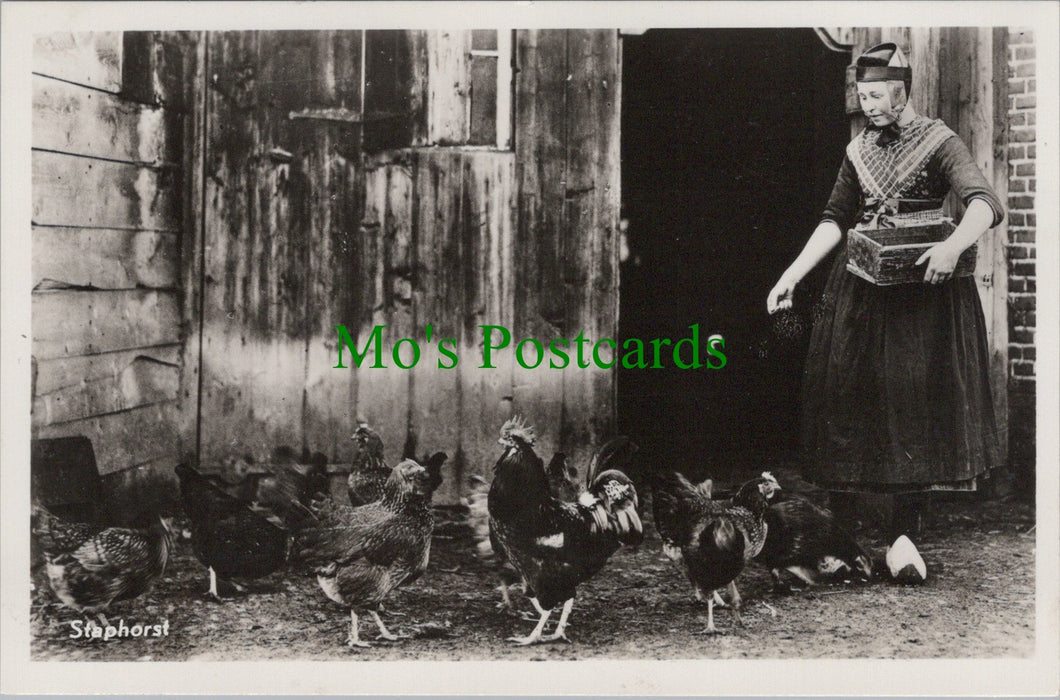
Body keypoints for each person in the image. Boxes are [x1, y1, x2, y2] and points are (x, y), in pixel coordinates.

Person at [766, 42, 1005, 583]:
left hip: (922, 294)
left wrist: (950, 247)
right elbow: (834, 218)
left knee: (911, 407)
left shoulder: (941, 140)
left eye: (876, 95)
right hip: (859, 291)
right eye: (862, 94)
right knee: (844, 398)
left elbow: (984, 203)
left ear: (901, 92)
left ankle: (904, 540)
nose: (866, 104)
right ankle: (839, 541)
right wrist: (792, 275)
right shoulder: (858, 150)